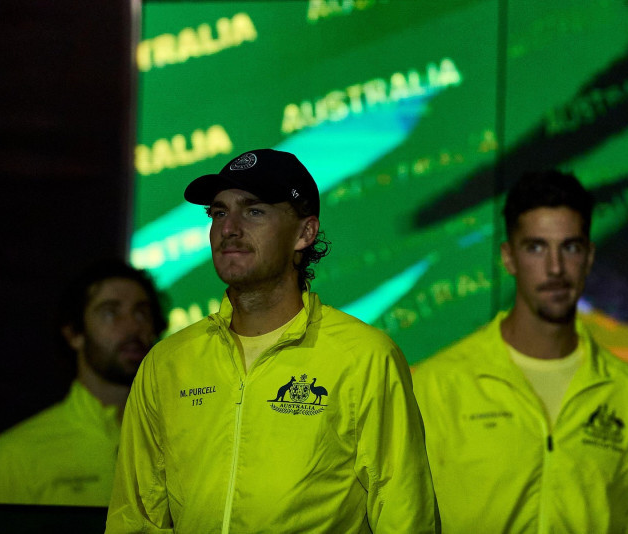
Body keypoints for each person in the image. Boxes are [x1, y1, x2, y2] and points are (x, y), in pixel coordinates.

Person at [106, 149, 440, 533]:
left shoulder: (364, 357)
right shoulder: (168, 363)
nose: (229, 228)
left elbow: (405, 516)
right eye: (218, 212)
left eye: (254, 211)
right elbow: (133, 520)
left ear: (304, 233)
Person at [413, 170, 628, 532]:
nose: (555, 268)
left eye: (570, 247)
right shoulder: (440, 385)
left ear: (589, 257)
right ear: (508, 257)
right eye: (535, 247)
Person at [0, 259, 167, 506]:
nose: (133, 325)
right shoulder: (16, 454)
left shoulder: (181, 439)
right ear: (74, 334)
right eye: (110, 312)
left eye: (142, 312)